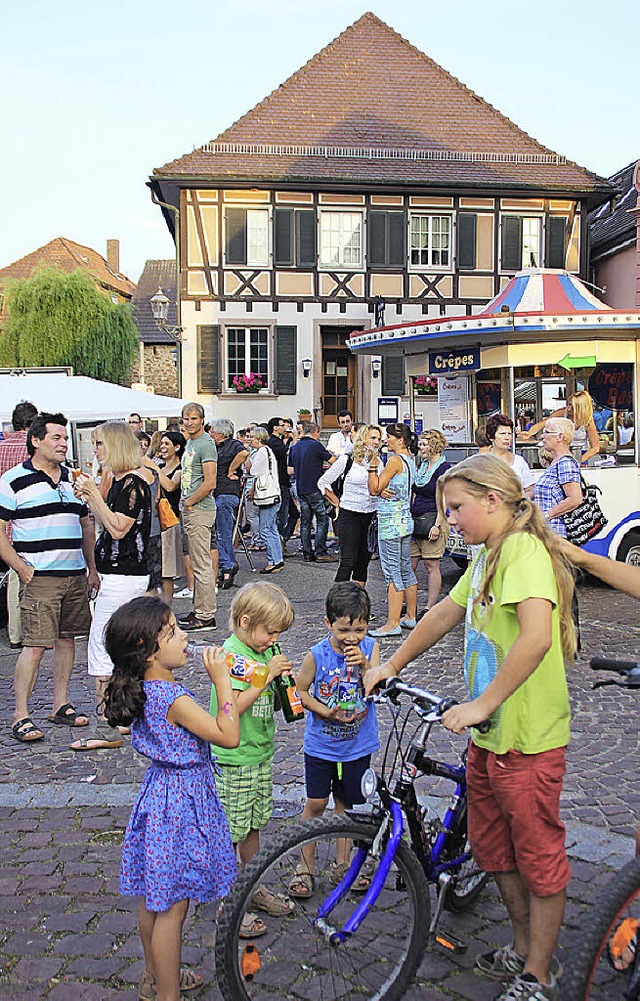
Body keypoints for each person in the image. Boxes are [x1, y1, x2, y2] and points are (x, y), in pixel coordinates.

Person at [365, 454, 576, 1001]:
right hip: (492, 739)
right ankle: (523, 946)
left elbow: (535, 637)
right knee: (494, 849)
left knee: (537, 856)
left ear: (493, 500)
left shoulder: (524, 552)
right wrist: (391, 664)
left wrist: (481, 705)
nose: (449, 520)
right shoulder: (486, 553)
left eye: (456, 508)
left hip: (527, 738)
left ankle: (540, 972)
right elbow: (440, 616)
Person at [102, 595, 239, 1001]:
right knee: (173, 907)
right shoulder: (172, 699)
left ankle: (154, 977)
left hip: (159, 796)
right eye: (173, 632)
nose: (184, 638)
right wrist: (222, 682)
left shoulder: (144, 687)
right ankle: (168, 994)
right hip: (181, 802)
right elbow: (228, 737)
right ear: (147, 650)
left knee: (155, 896)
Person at [0, 412, 98, 743]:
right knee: (34, 647)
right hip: (39, 577)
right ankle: (21, 714)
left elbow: (86, 524)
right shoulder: (13, 480)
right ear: (36, 440)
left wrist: (91, 568)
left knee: (67, 640)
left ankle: (60, 704)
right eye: (56, 438)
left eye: (65, 438)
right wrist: (22, 568)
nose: (63, 443)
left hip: (73, 575)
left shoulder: (75, 479)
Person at [209, 581, 295, 938]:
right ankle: (227, 903)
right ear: (245, 622)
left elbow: (268, 705)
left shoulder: (263, 653)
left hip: (259, 753)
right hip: (235, 756)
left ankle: (252, 885)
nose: (273, 639)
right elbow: (234, 707)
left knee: (254, 825)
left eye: (277, 633)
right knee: (231, 832)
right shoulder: (231, 656)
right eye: (269, 631)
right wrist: (266, 676)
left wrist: (284, 687)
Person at [289, 583, 380, 898]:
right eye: (344, 630)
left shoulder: (370, 649)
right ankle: (305, 866)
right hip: (322, 743)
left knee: (346, 803)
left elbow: (377, 685)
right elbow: (299, 691)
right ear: (328, 624)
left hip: (357, 743)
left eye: (360, 629)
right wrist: (324, 711)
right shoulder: (317, 654)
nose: (352, 637)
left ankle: (344, 865)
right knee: (316, 802)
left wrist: (366, 665)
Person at [72, 421, 152, 751]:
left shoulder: (133, 482)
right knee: (118, 646)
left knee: (103, 644)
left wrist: (94, 496)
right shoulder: (120, 481)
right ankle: (123, 720)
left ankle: (109, 723)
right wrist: (93, 496)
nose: (96, 450)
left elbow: (119, 528)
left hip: (124, 574)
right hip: (118, 573)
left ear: (116, 446)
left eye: (100, 444)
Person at [367, 423, 418, 636]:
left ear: (399, 440)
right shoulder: (410, 460)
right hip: (405, 521)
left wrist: (372, 465)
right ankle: (411, 616)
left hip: (390, 524)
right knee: (406, 568)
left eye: (388, 437)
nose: (385, 440)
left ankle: (392, 622)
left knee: (392, 573)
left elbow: (374, 488)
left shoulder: (395, 460)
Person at [317, 424, 382, 586]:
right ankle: (336, 606)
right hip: (349, 514)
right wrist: (336, 502)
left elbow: (379, 486)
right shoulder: (347, 460)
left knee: (363, 562)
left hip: (370, 516)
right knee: (348, 561)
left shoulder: (378, 463)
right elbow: (323, 482)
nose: (376, 442)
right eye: (373, 438)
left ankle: (356, 604)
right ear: (362, 438)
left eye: (379, 439)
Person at [0, 400, 38, 649]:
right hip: (26, 521)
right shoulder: (30, 450)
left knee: (14, 578)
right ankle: (24, 632)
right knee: (25, 580)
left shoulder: (1, 447)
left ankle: (15, 633)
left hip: (4, 520)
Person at [178, 403, 218, 631]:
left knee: (201, 564)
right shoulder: (192, 443)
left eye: (194, 418)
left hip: (200, 509)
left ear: (202, 420)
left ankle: (206, 615)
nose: (190, 422)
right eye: (186, 418)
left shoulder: (205, 444)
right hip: (194, 508)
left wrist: (190, 501)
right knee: (196, 561)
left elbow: (210, 481)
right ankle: (200, 609)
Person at [410, 429, 451, 613]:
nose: (421, 447)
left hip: (432, 520)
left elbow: (443, 499)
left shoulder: (443, 468)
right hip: (416, 520)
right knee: (409, 564)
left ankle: (430, 607)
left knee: (431, 565)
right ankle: (410, 604)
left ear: (434, 445)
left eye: (425, 444)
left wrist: (438, 524)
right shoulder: (421, 465)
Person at [288, 422, 336, 563]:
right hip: (315, 487)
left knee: (305, 521)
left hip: (300, 487)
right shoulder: (315, 445)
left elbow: (289, 470)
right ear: (316, 432)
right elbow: (333, 461)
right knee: (322, 519)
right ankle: (321, 552)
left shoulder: (295, 447)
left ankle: (307, 553)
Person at [210, 418, 248, 590]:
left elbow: (244, 454)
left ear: (220, 433)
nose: (210, 433)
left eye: (212, 431)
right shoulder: (216, 447)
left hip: (226, 492)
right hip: (219, 492)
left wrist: (231, 470)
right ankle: (227, 567)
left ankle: (228, 564)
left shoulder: (233, 445)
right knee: (222, 533)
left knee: (222, 534)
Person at [532, 418, 583, 538]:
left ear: (560, 437)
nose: (543, 436)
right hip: (546, 533)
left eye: (547, 432)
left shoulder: (565, 463)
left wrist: (546, 515)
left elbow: (575, 499)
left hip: (556, 534)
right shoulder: (556, 462)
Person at [522, 390, 600, 465]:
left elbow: (595, 447)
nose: (569, 409)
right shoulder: (562, 413)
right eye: (568, 404)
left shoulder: (587, 421)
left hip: (579, 453)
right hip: (560, 452)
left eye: (573, 407)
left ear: (581, 408)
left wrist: (579, 460)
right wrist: (529, 433)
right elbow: (543, 423)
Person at [246, 427, 283, 574]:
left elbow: (253, 471)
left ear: (259, 439)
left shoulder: (261, 452)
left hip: (267, 495)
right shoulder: (267, 451)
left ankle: (272, 561)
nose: (250, 440)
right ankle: (277, 559)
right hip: (274, 493)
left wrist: (248, 460)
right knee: (271, 528)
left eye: (252, 437)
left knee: (265, 529)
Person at [153, 431, 184, 605]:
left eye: (167, 444)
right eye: (162, 444)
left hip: (170, 521)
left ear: (177, 447)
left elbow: (171, 486)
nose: (163, 447)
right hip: (156, 522)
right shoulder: (160, 468)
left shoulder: (180, 469)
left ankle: (167, 608)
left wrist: (154, 468)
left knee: (167, 571)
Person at [267, 417, 297, 556]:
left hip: (284, 482)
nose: (284, 427)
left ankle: (282, 540)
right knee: (283, 517)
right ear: (275, 428)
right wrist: (294, 439)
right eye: (281, 425)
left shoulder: (279, 441)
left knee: (294, 514)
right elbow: (289, 452)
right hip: (280, 483)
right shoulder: (273, 441)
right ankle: (277, 544)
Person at [486, 415, 535, 496]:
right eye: (502, 434)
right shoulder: (482, 462)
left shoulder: (519, 461)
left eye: (509, 434)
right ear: (491, 437)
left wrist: (519, 500)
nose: (507, 438)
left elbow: (531, 490)